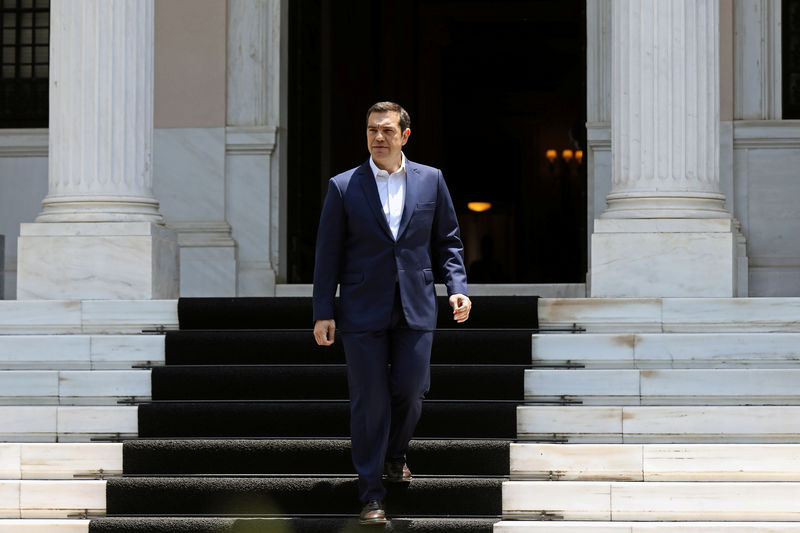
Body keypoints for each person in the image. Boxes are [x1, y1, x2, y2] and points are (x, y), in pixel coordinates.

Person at [312, 101, 471, 525]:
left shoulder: (431, 181)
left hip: (416, 303)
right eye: (370, 130)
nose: (377, 137)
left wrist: (457, 288)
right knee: (370, 400)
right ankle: (371, 494)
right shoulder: (344, 186)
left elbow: (448, 241)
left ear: (405, 135)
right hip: (362, 309)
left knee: (412, 389)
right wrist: (324, 310)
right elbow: (327, 255)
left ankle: (395, 454)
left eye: (386, 130)